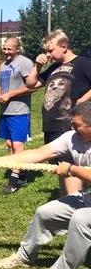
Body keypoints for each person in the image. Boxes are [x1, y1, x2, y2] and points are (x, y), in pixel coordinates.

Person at [0, 101, 91, 269]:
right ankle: (25, 256)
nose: (73, 127)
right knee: (45, 212)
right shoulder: (72, 137)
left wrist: (72, 169)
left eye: (77, 124)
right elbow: (37, 154)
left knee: (81, 220)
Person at [25, 29, 91, 192]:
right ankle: (67, 201)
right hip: (51, 125)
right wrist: (38, 66)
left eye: (50, 50)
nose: (47, 54)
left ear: (64, 46)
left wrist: (85, 98)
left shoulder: (83, 63)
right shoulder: (54, 67)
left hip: (71, 125)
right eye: (46, 50)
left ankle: (75, 204)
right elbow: (30, 84)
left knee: (71, 169)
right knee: (62, 170)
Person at [0, 37, 35, 194]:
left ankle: (14, 180)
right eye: (4, 49)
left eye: (10, 49)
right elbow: (1, 85)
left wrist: (11, 94)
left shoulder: (24, 62)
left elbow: (32, 86)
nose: (6, 52)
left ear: (18, 49)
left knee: (18, 145)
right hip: (5, 111)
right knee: (10, 144)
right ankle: (21, 175)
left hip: (19, 111)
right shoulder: (3, 65)